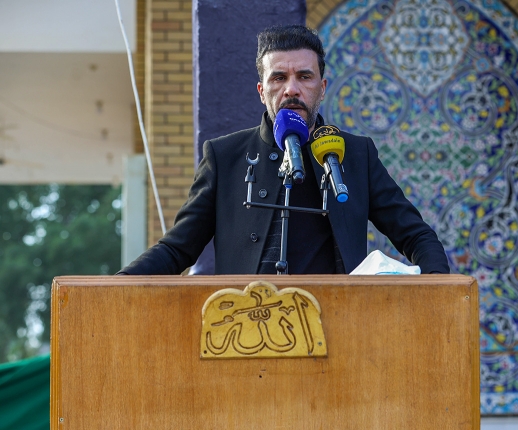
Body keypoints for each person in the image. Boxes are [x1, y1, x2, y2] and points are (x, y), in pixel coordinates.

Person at [118, 25, 449, 276]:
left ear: (322, 87)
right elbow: (177, 249)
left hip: (338, 328)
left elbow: (416, 235)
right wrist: (116, 286)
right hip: (246, 329)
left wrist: (439, 290)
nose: (291, 89)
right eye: (278, 78)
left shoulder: (355, 153)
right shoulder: (224, 156)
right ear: (262, 91)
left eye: (304, 76)